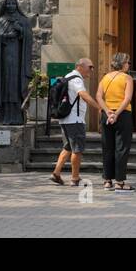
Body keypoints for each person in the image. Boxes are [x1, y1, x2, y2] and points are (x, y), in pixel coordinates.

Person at [50, 57, 98, 186]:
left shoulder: (67, 77)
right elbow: (83, 94)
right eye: (90, 67)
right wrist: (99, 107)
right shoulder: (76, 79)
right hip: (74, 121)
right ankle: (75, 178)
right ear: (80, 67)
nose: (91, 70)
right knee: (77, 149)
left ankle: (56, 173)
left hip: (65, 120)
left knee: (68, 148)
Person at [96, 52, 135, 191]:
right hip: (122, 114)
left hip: (107, 114)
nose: (129, 65)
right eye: (127, 62)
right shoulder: (127, 78)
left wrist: (107, 112)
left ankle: (107, 181)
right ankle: (119, 182)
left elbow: (99, 96)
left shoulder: (105, 77)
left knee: (107, 147)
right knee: (121, 148)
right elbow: (127, 98)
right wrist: (117, 113)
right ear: (122, 63)